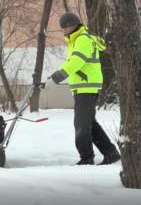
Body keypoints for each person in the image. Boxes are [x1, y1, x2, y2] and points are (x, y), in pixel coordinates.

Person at [49, 12, 120, 165]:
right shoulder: (76, 40)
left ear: (73, 25)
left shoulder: (82, 39)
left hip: (87, 87)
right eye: (63, 27)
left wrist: (60, 74)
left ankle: (86, 158)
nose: (65, 30)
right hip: (83, 87)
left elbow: (77, 61)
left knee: (81, 125)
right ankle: (111, 153)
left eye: (66, 26)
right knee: (89, 123)